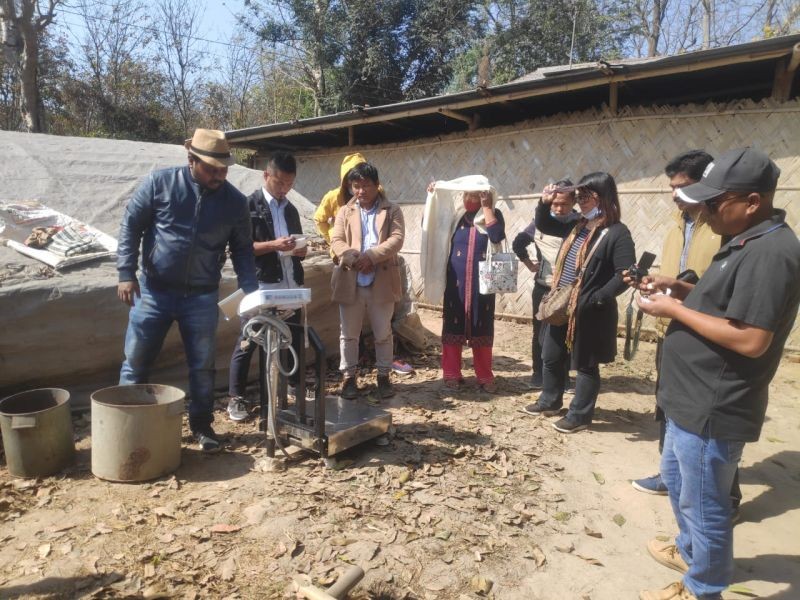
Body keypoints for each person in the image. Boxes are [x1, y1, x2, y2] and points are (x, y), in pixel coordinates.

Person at [635, 147, 800, 600]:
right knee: (680, 486)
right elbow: (726, 304)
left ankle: (703, 588)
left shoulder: (771, 253)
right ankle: (691, 552)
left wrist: (672, 309)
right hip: (690, 396)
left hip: (714, 402)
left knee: (705, 506)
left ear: (752, 201)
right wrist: (680, 288)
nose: (705, 212)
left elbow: (751, 338)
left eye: (714, 202)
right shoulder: (744, 239)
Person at [117, 128, 258, 453]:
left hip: (201, 296)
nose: (218, 176)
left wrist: (251, 292)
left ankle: (202, 426)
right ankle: (127, 429)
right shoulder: (160, 184)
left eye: (223, 170)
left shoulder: (234, 202)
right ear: (191, 159)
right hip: (153, 292)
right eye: (211, 169)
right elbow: (131, 226)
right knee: (135, 362)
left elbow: (243, 251)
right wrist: (125, 273)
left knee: (202, 367)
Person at [630, 151, 738, 513]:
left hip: (709, 332)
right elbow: (679, 274)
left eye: (683, 186)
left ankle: (727, 495)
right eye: (672, 187)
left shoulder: (725, 229)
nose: (675, 194)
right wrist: (656, 283)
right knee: (669, 404)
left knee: (708, 419)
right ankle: (670, 475)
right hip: (672, 326)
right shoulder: (679, 222)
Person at [523, 172, 635, 433]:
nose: (580, 202)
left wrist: (597, 298)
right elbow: (544, 224)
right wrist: (544, 203)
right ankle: (550, 400)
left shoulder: (617, 233)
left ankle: (580, 416)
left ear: (603, 198)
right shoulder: (577, 225)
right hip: (562, 305)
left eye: (586, 197)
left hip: (589, 310)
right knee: (550, 355)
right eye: (579, 197)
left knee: (585, 365)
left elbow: (624, 274)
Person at [226, 152, 307, 422]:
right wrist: (273, 245)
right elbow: (240, 248)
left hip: (289, 282)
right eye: (279, 182)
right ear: (266, 175)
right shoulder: (248, 205)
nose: (284, 189)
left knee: (293, 336)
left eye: (289, 184)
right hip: (262, 284)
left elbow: (297, 246)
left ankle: (294, 387)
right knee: (249, 338)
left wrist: (300, 250)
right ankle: (236, 397)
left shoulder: (291, 209)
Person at [424, 176, 506, 393]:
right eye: (466, 194)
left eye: (475, 196)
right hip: (456, 282)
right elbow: (433, 223)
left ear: (485, 197)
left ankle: (484, 376)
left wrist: (487, 208)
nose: (469, 199)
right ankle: (451, 373)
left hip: (483, 284)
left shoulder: (494, 215)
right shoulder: (457, 217)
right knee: (453, 325)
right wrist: (433, 196)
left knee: (482, 326)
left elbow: (497, 236)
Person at [330, 162, 405, 399]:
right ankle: (349, 378)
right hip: (351, 280)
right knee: (348, 334)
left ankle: (383, 376)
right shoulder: (345, 211)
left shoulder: (392, 210)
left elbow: (397, 239)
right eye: (356, 186)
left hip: (381, 280)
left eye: (366, 186)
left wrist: (371, 256)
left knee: (383, 333)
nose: (361, 191)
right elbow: (336, 240)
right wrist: (354, 259)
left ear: (377, 185)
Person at [512, 180, 578, 390]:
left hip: (568, 290)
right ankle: (538, 374)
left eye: (564, 204)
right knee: (539, 332)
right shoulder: (539, 223)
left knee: (566, 333)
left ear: (574, 202)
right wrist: (529, 264)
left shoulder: (579, 224)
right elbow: (518, 243)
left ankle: (563, 378)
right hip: (543, 287)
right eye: (555, 204)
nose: (559, 209)